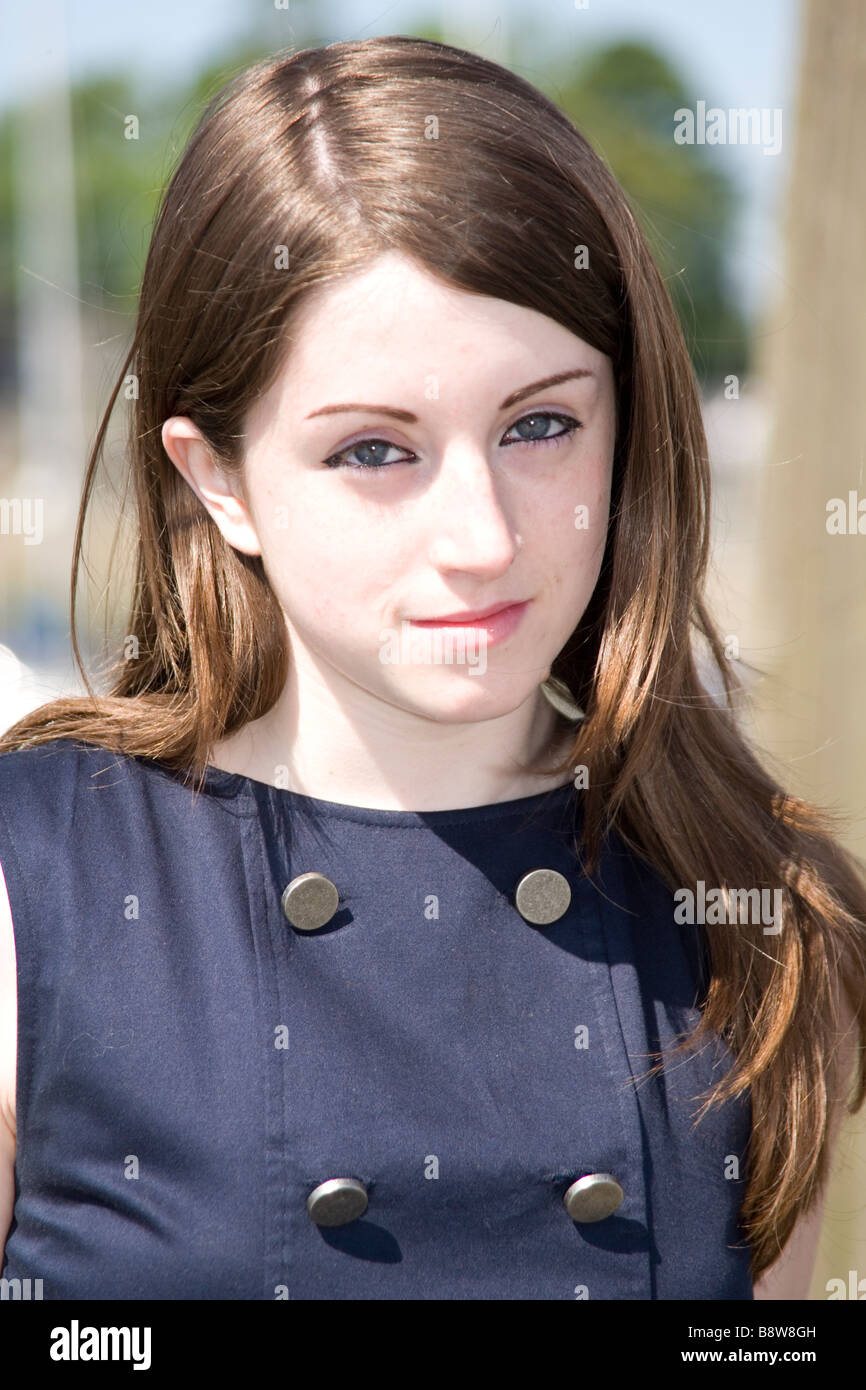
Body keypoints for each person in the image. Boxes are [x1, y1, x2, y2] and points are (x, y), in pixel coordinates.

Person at [0, 35, 863, 1301]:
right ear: (216, 476)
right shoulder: (38, 882)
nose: (483, 539)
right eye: (372, 451)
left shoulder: (762, 922)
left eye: (541, 424)